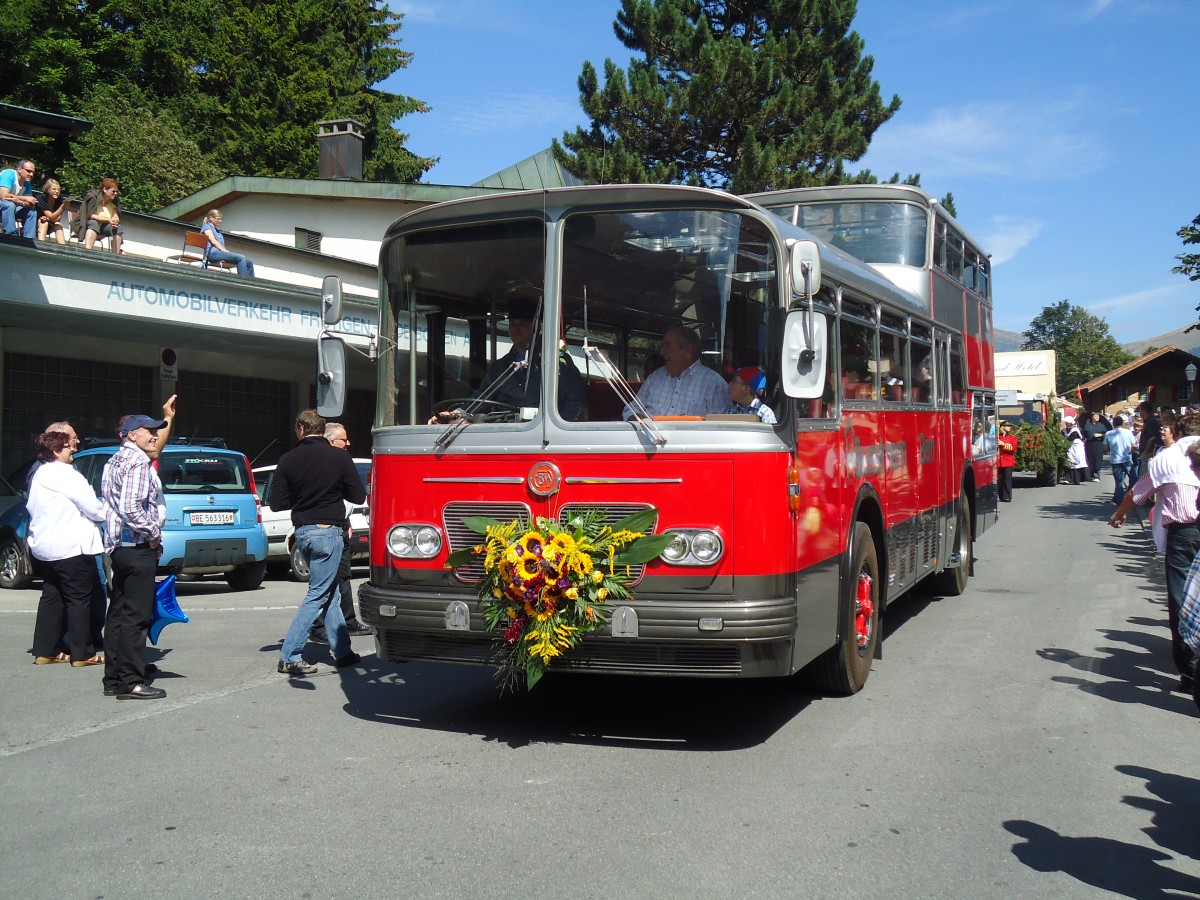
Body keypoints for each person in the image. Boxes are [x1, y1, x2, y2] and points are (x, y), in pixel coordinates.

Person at [270, 409, 367, 676]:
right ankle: (290, 655)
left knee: (330, 591)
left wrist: (303, 498)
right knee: (318, 593)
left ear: (301, 429)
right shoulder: (339, 457)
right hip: (329, 531)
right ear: (321, 430)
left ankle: (343, 651)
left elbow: (277, 503)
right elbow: (358, 496)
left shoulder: (288, 459)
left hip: (303, 532)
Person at [1110, 412, 1200, 692]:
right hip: (1187, 533)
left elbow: (1138, 493)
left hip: (1184, 534)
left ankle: (1190, 672)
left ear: (1179, 432)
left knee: (1181, 600)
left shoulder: (1167, 458)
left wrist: (1119, 514)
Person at [101, 412, 170, 700]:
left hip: (119, 548)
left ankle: (115, 677)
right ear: (132, 435)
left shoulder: (114, 460)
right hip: (137, 547)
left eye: (156, 431)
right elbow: (131, 507)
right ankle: (131, 682)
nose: (154, 435)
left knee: (118, 612)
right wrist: (153, 533)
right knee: (135, 616)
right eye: (148, 431)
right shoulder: (138, 462)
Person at [433, 296, 586, 422]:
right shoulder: (500, 367)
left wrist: (557, 430)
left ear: (537, 328)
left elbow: (576, 403)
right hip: (505, 435)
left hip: (542, 436)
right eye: (512, 324)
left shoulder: (558, 363)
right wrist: (457, 413)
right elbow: (481, 399)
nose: (515, 328)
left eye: (522, 324)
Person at [28, 431, 108, 667]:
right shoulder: (67, 475)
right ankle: (83, 653)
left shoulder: (40, 473)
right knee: (79, 600)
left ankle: (45, 650)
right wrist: (102, 514)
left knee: (51, 597)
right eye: (67, 446)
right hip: (72, 546)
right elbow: (93, 508)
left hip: (46, 547)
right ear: (55, 451)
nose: (73, 449)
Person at [308, 422, 373, 644]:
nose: (348, 443)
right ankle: (318, 625)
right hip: (325, 528)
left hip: (341, 525)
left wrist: (346, 521)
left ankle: (347, 620)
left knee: (343, 576)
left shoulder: (342, 461)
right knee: (327, 582)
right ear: (331, 441)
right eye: (343, 440)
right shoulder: (321, 463)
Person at [623, 324, 727, 420]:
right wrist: (642, 422)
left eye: (668, 346)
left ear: (687, 351)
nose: (662, 352)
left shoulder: (713, 383)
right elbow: (630, 410)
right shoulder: (655, 377)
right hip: (651, 437)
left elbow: (721, 426)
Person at [73, 177, 123, 253]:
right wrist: (108, 220)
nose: (115, 193)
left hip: (104, 227)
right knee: (94, 223)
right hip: (88, 225)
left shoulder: (114, 200)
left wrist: (115, 222)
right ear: (105, 189)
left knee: (118, 227)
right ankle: (88, 251)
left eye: (116, 191)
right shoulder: (94, 197)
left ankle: (116, 254)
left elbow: (116, 215)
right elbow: (91, 215)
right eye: (113, 191)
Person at [200, 209, 255, 277]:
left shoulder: (217, 231)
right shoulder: (206, 227)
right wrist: (225, 251)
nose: (220, 221)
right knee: (240, 258)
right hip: (213, 254)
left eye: (220, 219)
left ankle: (250, 282)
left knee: (249, 263)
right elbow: (213, 241)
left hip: (220, 254)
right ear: (211, 218)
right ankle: (242, 280)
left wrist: (225, 252)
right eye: (218, 219)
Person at [0, 158, 38, 238]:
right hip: (4, 205)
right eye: (28, 171)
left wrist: (20, 202)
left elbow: (31, 204)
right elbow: (3, 196)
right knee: (9, 205)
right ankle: (11, 236)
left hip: (12, 207)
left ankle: (29, 239)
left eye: (33, 172)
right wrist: (24, 198)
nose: (31, 174)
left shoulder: (27, 183)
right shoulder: (9, 175)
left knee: (32, 212)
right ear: (19, 169)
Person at [1103, 415, 1135, 506]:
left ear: (1113, 423)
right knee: (1133, 477)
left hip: (1115, 460)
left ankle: (1120, 500)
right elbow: (1134, 445)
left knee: (1119, 481)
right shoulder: (1128, 432)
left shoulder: (1109, 433)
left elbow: (1105, 447)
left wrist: (1109, 448)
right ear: (1122, 423)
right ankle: (1132, 495)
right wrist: (1130, 453)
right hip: (1127, 458)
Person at [35, 178, 68, 244]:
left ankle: (63, 247)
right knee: (44, 222)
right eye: (54, 189)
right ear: (47, 190)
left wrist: (50, 218)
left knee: (58, 224)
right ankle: (41, 245)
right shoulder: (41, 198)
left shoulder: (60, 200)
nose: (56, 191)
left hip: (51, 223)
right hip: (36, 223)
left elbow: (57, 219)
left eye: (58, 190)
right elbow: (51, 217)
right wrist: (62, 207)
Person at [997, 421, 1018, 502]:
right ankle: (1001, 496)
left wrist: (1003, 444)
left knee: (1007, 480)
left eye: (1010, 426)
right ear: (1002, 427)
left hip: (1008, 461)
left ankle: (1007, 496)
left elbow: (1013, 448)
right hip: (999, 461)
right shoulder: (998, 437)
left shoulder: (1012, 438)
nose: (1009, 427)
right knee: (999, 480)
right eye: (1007, 425)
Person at [1083, 412, 1107, 481]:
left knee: (1097, 459)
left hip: (1098, 443)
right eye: (1095, 416)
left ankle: (1096, 475)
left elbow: (1106, 434)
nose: (1097, 418)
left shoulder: (1102, 425)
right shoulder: (1087, 425)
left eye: (1098, 417)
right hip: (1089, 444)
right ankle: (1090, 475)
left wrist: (1100, 435)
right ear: (1092, 417)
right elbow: (1084, 435)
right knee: (1090, 460)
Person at [1064, 419, 1088, 484]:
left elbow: (1071, 437)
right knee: (1071, 461)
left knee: (1078, 461)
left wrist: (1065, 440)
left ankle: (1078, 479)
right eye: (1066, 423)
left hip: (1077, 446)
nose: (1066, 424)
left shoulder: (1075, 430)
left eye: (1068, 422)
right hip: (1070, 447)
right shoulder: (1064, 430)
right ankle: (1070, 479)